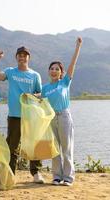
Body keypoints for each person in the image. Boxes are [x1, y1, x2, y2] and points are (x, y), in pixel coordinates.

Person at [0, 46, 45, 183]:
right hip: (14, 115)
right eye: (20, 55)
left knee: (33, 145)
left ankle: (36, 173)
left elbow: (40, 94)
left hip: (30, 115)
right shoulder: (10, 72)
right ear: (16, 57)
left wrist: (32, 95)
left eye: (25, 55)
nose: (22, 57)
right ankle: (10, 174)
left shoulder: (35, 75)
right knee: (12, 147)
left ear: (28, 58)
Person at [42, 37, 82, 186]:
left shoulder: (65, 82)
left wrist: (77, 47)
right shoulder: (45, 88)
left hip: (64, 116)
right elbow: (39, 100)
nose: (54, 71)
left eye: (57, 69)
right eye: (51, 69)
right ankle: (57, 177)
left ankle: (68, 178)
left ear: (61, 72)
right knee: (55, 150)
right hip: (51, 119)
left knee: (66, 148)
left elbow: (73, 65)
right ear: (48, 71)